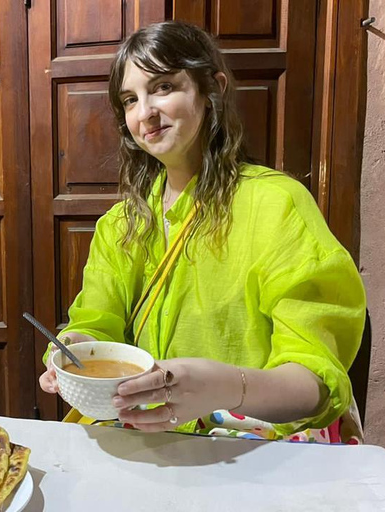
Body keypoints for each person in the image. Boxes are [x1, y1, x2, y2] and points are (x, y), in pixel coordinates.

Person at [39, 21, 366, 442]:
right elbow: (96, 324)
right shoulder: (121, 224)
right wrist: (76, 346)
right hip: (140, 431)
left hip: (254, 439)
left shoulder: (276, 205)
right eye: (129, 99)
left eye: (163, 87)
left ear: (212, 89)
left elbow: (315, 385)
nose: (145, 112)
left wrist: (228, 386)